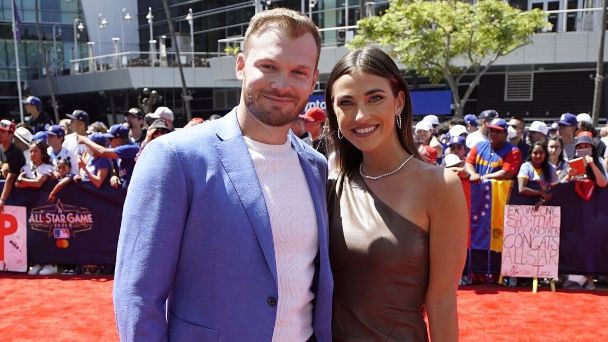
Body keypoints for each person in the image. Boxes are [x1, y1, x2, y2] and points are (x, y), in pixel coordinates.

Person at [113, 8, 332, 341]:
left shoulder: (316, 167)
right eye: (268, 66)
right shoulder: (175, 157)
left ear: (313, 80)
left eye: (298, 71)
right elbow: (138, 295)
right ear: (241, 65)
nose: (282, 84)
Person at [326, 47, 467, 341]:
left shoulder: (440, 185)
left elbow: (441, 303)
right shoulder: (330, 180)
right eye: (346, 103)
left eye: (375, 98)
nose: (361, 115)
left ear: (399, 101)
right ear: (334, 112)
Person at [78, 123, 139, 189]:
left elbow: (103, 152)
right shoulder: (115, 147)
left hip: (135, 188)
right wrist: (114, 175)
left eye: (110, 139)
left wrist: (86, 140)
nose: (108, 142)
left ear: (118, 140)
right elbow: (113, 167)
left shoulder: (131, 148)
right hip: (125, 189)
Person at [465, 118, 522, 182]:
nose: (493, 134)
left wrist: (485, 177)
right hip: (479, 189)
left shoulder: (513, 151)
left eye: (498, 131)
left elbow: (507, 173)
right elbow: (468, 163)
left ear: (506, 134)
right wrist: (473, 174)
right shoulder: (479, 146)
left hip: (501, 190)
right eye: (491, 130)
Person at [517, 141, 557, 209]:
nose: (538, 156)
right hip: (526, 205)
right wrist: (540, 193)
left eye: (541, 153)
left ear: (545, 154)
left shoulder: (551, 168)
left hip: (545, 206)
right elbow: (522, 189)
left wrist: (542, 201)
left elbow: (555, 189)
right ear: (530, 154)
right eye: (535, 153)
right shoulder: (526, 167)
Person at [0, 120, 25, 212]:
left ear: (11, 135)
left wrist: (2, 199)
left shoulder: (16, 153)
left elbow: (11, 178)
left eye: (3, 131)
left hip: (15, 196)